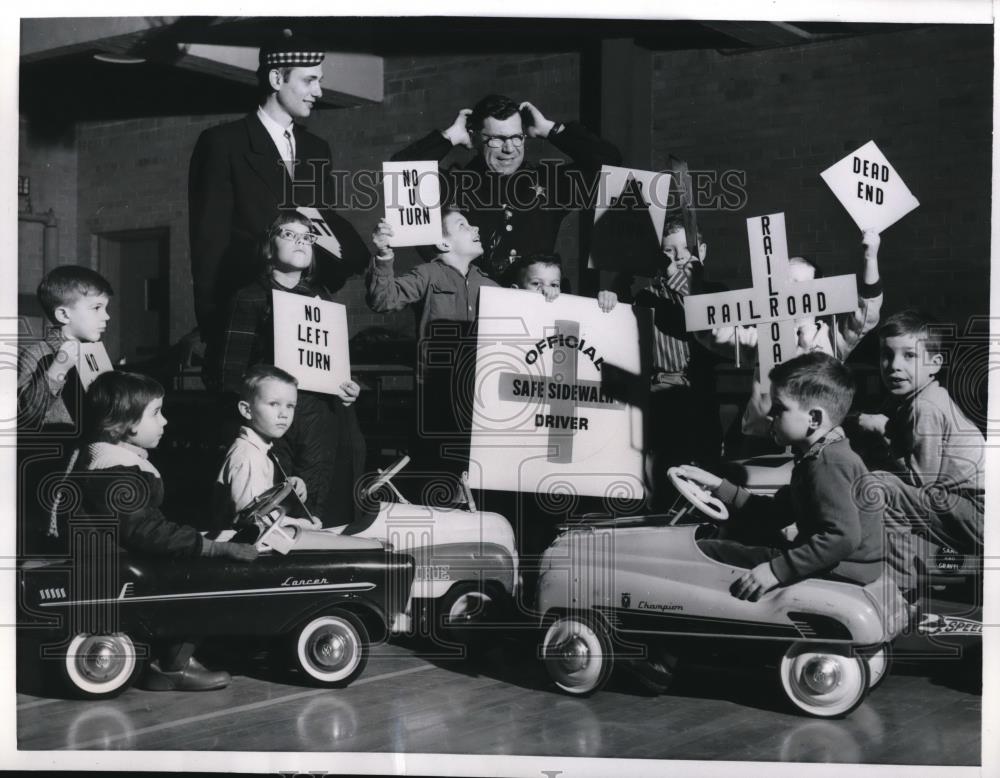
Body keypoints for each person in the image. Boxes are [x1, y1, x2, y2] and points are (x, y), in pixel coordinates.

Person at [189, 29, 368, 386]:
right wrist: (214, 326)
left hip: (304, 316)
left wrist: (333, 277)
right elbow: (208, 244)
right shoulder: (223, 143)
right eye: (309, 80)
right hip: (248, 323)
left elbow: (321, 227)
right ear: (276, 78)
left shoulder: (317, 148)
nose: (318, 91)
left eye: (320, 80)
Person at [77, 371, 256, 691]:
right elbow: (144, 530)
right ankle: (173, 664)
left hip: (119, 560)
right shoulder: (117, 472)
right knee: (209, 578)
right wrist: (210, 547)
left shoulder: (111, 460)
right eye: (156, 413)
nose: (165, 422)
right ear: (128, 423)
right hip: (119, 566)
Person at [676, 353, 883, 600]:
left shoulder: (828, 463)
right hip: (839, 564)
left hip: (842, 571)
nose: (769, 417)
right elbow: (775, 514)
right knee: (738, 539)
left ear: (814, 418)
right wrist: (718, 486)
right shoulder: (816, 457)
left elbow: (841, 538)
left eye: (779, 409)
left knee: (709, 551)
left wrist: (775, 571)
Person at [217, 212, 366, 529]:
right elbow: (230, 371)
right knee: (281, 506)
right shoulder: (250, 297)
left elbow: (332, 363)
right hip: (275, 420)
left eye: (307, 237)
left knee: (317, 506)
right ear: (269, 248)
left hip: (319, 417)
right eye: (289, 234)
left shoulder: (321, 299)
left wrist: (347, 386)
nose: (301, 241)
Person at [392, 94, 621, 281]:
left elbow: (610, 163)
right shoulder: (455, 184)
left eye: (517, 137)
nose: (509, 149)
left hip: (539, 310)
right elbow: (399, 174)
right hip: (470, 313)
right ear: (475, 138)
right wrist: (450, 136)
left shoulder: (549, 183)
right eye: (497, 139)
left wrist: (550, 130)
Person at [700, 230, 884, 451]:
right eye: (782, 284)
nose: (788, 292)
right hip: (761, 440)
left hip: (814, 439)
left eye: (797, 284)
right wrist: (693, 279)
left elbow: (867, 314)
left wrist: (870, 258)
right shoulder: (763, 337)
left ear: (818, 291)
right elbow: (710, 334)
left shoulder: (831, 339)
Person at [851, 310, 984, 597]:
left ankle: (901, 583)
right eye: (887, 355)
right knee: (878, 477)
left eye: (909, 356)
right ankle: (913, 567)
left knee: (881, 485)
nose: (894, 366)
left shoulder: (926, 406)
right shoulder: (912, 400)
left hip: (979, 514)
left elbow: (919, 481)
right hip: (963, 509)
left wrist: (882, 431)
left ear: (934, 364)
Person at [367, 210, 496, 479]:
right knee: (438, 469)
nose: (476, 229)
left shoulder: (490, 285)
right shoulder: (428, 274)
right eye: (463, 226)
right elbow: (384, 300)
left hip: (481, 395)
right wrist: (384, 256)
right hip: (437, 391)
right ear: (444, 243)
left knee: (476, 469)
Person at [618, 217, 725, 506]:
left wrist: (674, 276)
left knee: (705, 470)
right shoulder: (646, 297)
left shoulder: (716, 293)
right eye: (668, 251)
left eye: (683, 250)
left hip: (700, 394)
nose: (676, 258)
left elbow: (697, 312)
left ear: (701, 251)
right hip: (661, 396)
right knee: (664, 471)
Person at [18, 265, 113, 553]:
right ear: (63, 315)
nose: (106, 316)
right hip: (54, 470)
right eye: (96, 308)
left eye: (106, 308)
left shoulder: (95, 353)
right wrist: (56, 370)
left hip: (90, 464)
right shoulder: (38, 354)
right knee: (55, 542)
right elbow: (25, 415)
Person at [213, 364, 320, 533]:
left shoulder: (260, 449)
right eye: (274, 404)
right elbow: (252, 522)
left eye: (290, 406)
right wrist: (301, 524)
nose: (284, 414)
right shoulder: (249, 457)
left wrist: (287, 489)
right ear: (247, 410)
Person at [505, 252, 618, 312]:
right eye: (536, 283)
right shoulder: (507, 312)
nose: (547, 289)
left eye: (554, 285)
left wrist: (605, 299)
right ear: (515, 291)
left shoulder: (565, 312)